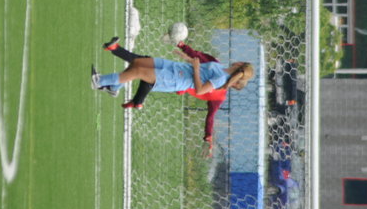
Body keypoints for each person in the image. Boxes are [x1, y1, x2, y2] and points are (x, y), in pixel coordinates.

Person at [102, 37, 244, 156]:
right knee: (142, 64)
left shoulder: (219, 87)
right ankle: (127, 93)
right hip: (180, 73)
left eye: (241, 64)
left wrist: (208, 137)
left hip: (179, 80)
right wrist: (183, 48)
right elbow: (200, 57)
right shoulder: (219, 70)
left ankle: (111, 79)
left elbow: (209, 112)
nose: (238, 62)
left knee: (144, 70)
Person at [91, 39, 254, 110]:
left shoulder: (221, 79)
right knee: (137, 63)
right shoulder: (221, 68)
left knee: (139, 72)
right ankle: (113, 87)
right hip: (177, 67)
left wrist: (196, 69)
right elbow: (199, 66)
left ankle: (99, 81)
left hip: (177, 79)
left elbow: (199, 90)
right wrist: (187, 58)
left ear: (239, 65)